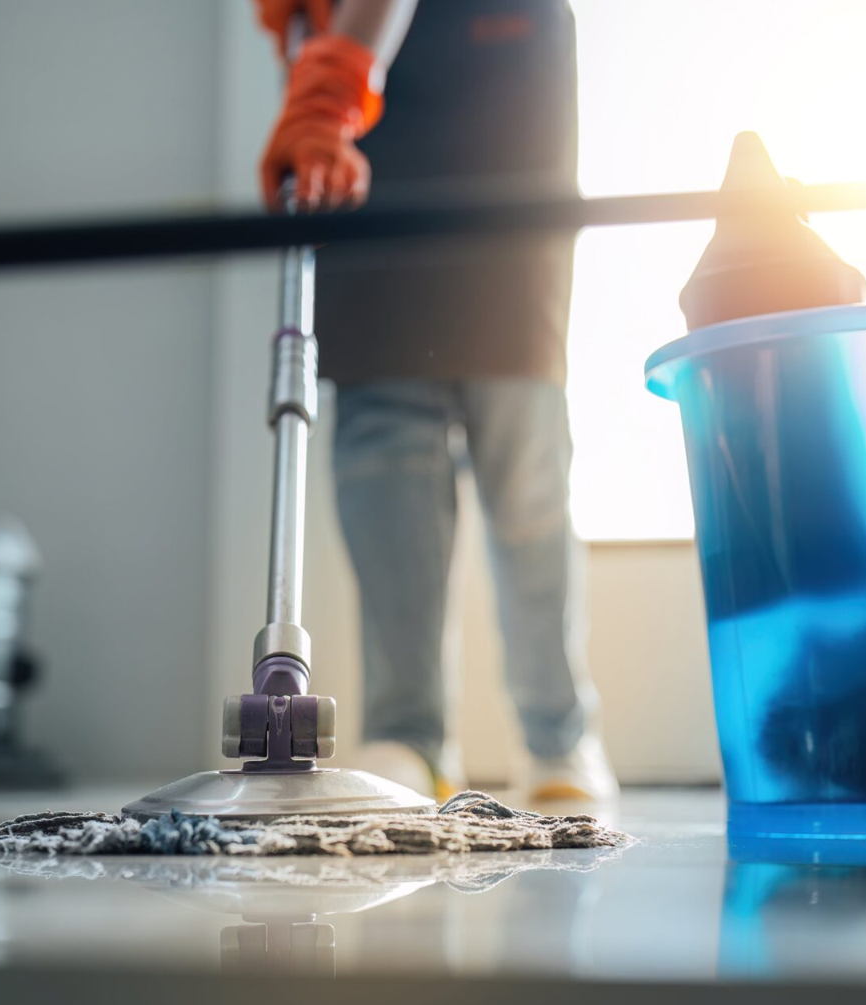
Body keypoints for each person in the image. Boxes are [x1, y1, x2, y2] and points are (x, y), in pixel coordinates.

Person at [252, 0, 615, 802]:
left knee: (525, 473)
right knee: (387, 464)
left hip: (501, 88)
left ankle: (559, 740)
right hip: (374, 160)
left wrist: (333, 84)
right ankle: (409, 735)